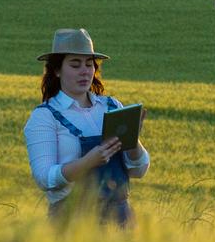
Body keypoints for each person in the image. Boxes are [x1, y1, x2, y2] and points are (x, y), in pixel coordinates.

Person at [24, 28, 149, 224]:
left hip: (121, 217)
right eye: (75, 65)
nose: (84, 71)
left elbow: (138, 170)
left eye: (89, 64)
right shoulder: (45, 117)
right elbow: (44, 178)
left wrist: (132, 141)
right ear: (57, 70)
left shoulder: (111, 106)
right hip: (71, 220)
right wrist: (87, 163)